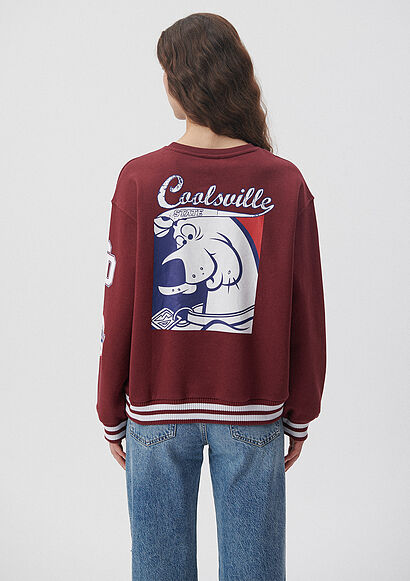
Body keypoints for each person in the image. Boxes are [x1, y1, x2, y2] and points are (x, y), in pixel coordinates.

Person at [96, 12, 326, 581]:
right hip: (252, 407)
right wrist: (301, 412)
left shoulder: (140, 179)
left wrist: (109, 406)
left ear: (183, 79)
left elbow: (118, 305)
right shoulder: (284, 180)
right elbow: (308, 311)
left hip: (157, 407)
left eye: (165, 71)